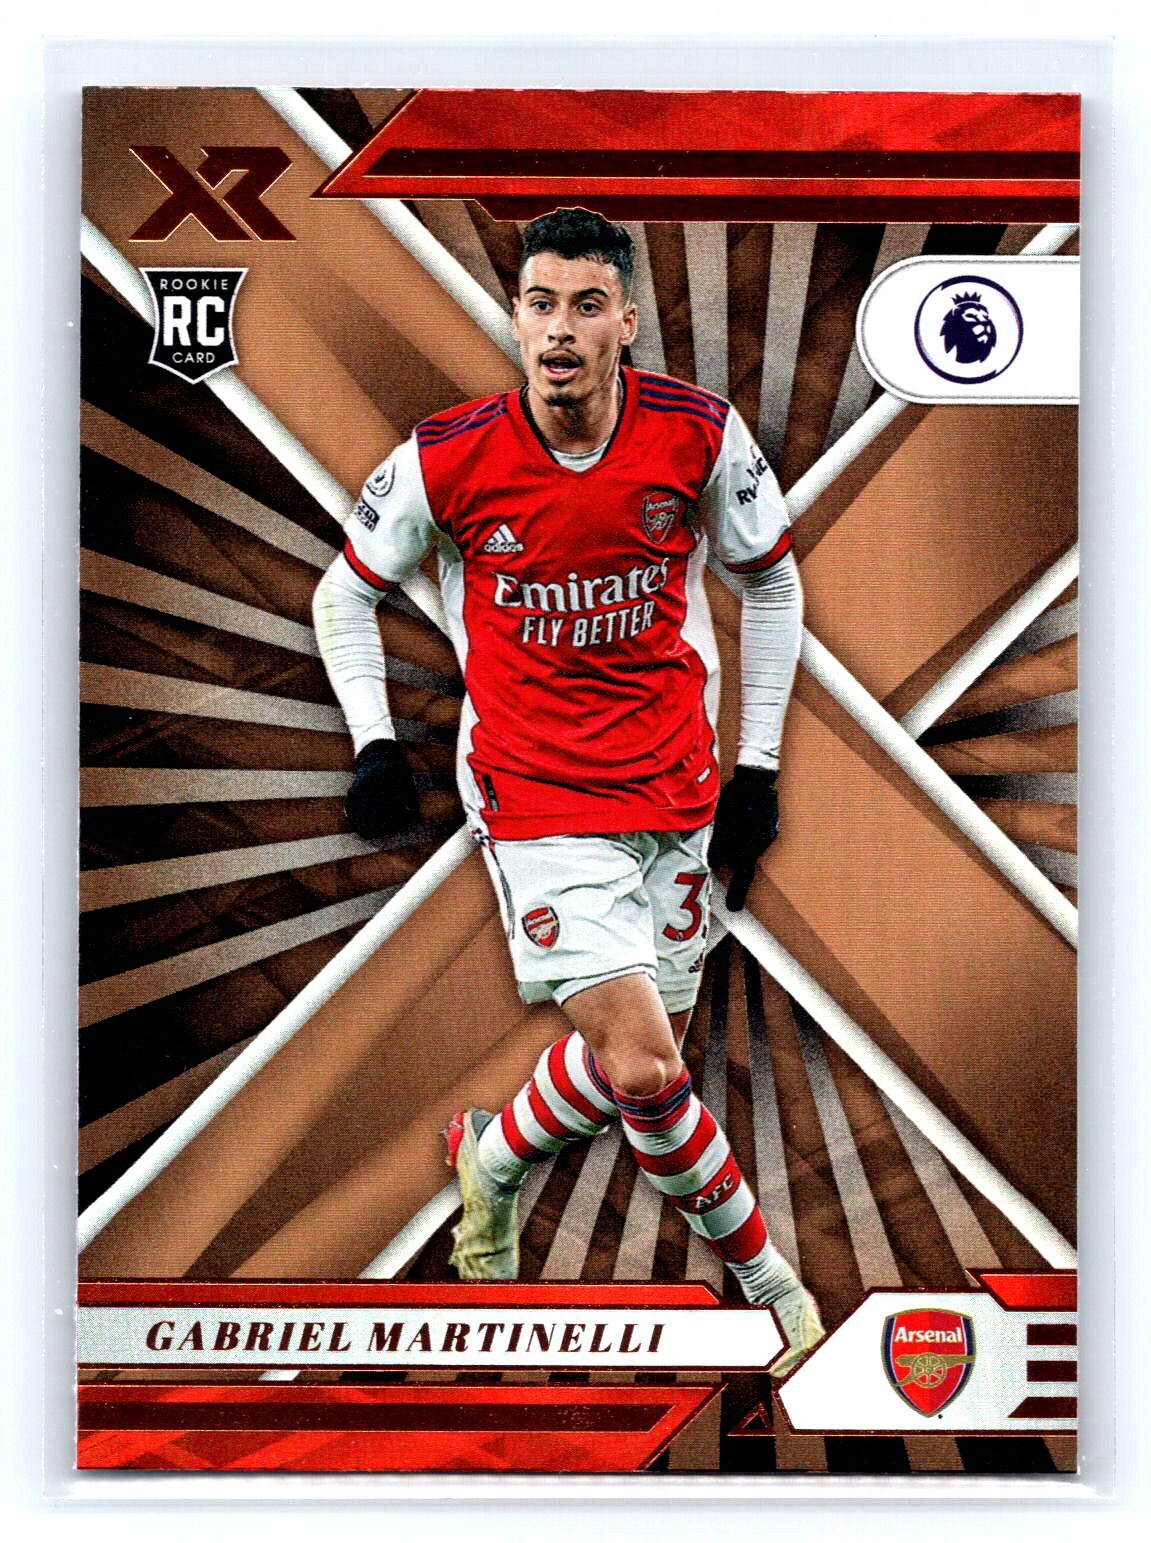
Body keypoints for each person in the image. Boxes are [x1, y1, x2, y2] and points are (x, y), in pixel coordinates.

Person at [313, 208, 823, 1375]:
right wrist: (374, 742)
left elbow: (774, 586)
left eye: (585, 306)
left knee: (639, 1066)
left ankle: (490, 1158)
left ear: (625, 323)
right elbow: (343, 592)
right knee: (645, 1066)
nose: (558, 330)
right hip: (535, 798)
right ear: (516, 320)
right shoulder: (446, 457)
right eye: (539, 304)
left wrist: (756, 766)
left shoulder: (698, 436)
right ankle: (774, 1293)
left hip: (675, 787)